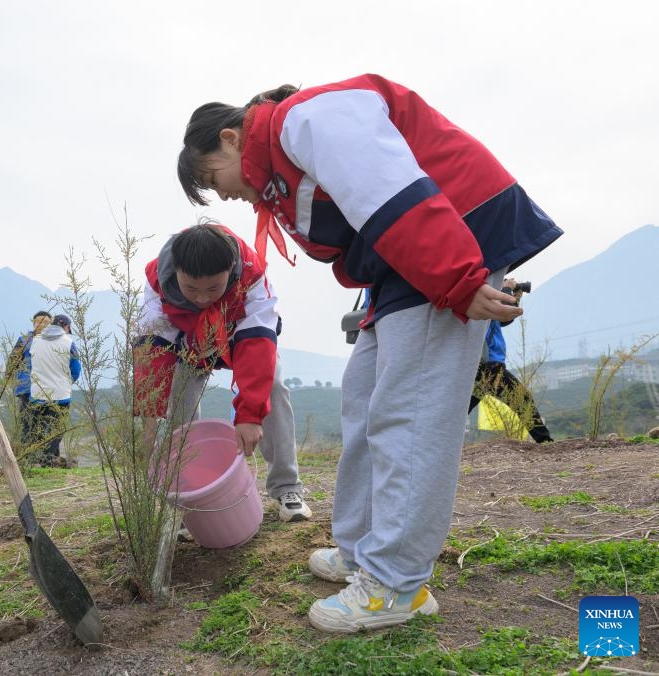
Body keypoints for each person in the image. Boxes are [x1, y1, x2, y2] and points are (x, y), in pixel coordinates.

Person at [177, 74, 562, 632]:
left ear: (233, 140)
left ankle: (396, 584)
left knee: (410, 413)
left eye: (214, 178)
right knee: (363, 400)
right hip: (401, 263)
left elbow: (389, 191)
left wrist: (457, 277)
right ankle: (362, 552)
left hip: (451, 233)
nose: (225, 195)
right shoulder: (284, 153)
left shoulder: (305, 120)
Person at [135, 223, 312, 522]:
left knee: (274, 387)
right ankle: (186, 495)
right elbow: (153, 353)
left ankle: (286, 487)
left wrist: (250, 415)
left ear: (230, 271)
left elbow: (257, 340)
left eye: (213, 289)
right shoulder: (156, 281)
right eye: (191, 289)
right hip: (188, 346)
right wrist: (149, 421)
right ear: (176, 270)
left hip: (239, 340)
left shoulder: (252, 273)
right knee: (178, 406)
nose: (202, 298)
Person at [469, 279, 553, 443]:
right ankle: (545, 443)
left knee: (460, 409)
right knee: (521, 400)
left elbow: (505, 318)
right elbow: (504, 312)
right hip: (487, 365)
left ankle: (545, 442)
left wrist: (515, 296)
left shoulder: (482, 301)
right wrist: (507, 290)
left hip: (484, 365)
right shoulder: (479, 297)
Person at [26, 313, 80, 466]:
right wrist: (67, 383)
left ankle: (38, 461)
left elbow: (30, 365)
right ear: (66, 327)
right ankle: (47, 460)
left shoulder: (35, 341)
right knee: (56, 430)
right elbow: (76, 370)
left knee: (38, 430)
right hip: (60, 395)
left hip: (37, 393)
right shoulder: (69, 343)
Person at [5, 310, 52, 444]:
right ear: (34, 323)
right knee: (27, 422)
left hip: (48, 389)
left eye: (47, 322)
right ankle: (26, 457)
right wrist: (10, 380)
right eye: (40, 321)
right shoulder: (24, 340)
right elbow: (12, 362)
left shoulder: (55, 342)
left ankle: (45, 459)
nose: (43, 325)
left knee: (46, 424)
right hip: (27, 388)